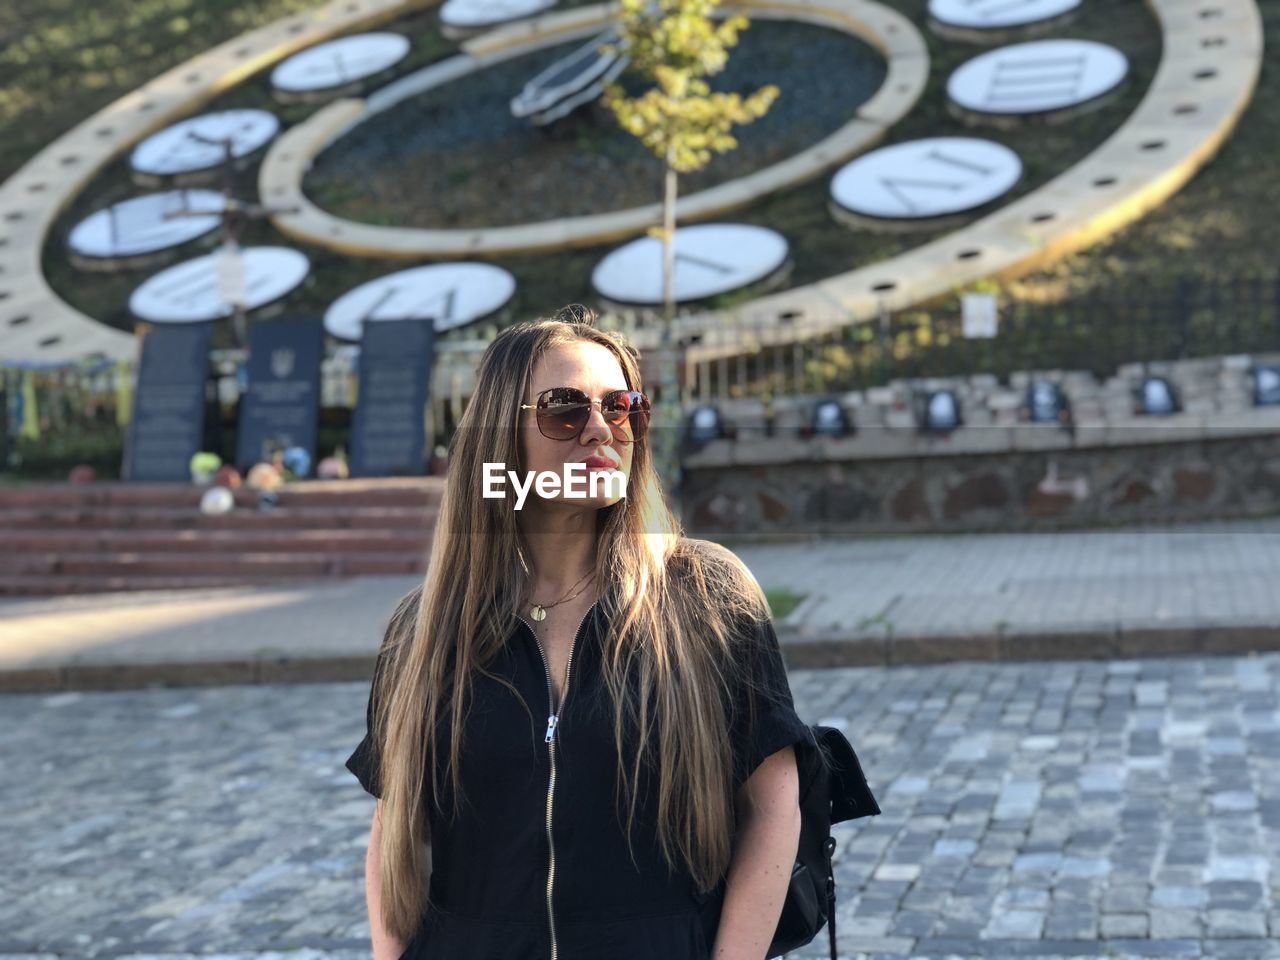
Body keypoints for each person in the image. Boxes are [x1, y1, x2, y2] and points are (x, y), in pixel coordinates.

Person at [345, 304, 812, 960]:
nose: (599, 428)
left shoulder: (705, 596)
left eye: (620, 406)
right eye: (566, 410)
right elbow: (396, 829)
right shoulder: (423, 629)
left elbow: (771, 805)